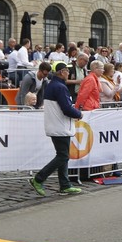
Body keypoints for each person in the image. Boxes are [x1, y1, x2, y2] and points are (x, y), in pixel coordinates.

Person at [29, 62, 84, 195]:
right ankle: (39, 179)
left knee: (63, 155)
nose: (68, 73)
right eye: (67, 70)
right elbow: (66, 108)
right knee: (63, 156)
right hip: (60, 126)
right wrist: (79, 114)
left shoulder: (53, 85)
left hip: (56, 125)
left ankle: (65, 184)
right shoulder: (59, 87)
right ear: (61, 72)